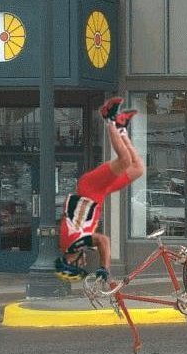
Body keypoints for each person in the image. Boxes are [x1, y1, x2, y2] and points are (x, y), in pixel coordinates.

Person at [55, 98, 144, 281]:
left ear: (71, 262)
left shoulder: (71, 245)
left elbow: (103, 241)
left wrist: (104, 267)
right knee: (138, 169)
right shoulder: (72, 245)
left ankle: (108, 118)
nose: (84, 263)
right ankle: (121, 129)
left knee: (125, 161)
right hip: (98, 193)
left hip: (90, 188)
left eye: (80, 265)